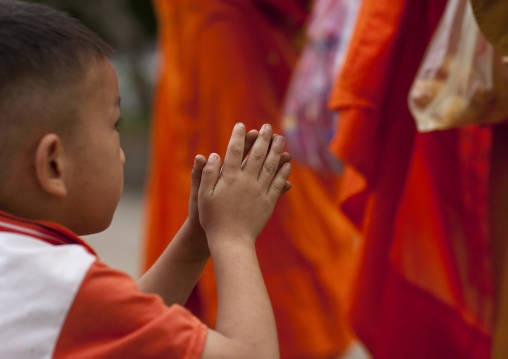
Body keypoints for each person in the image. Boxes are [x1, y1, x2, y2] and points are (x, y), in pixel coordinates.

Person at [0, 1, 292, 358]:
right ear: (53, 165)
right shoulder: (58, 284)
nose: (120, 150)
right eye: (114, 125)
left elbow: (121, 327)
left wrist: (197, 238)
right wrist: (234, 236)